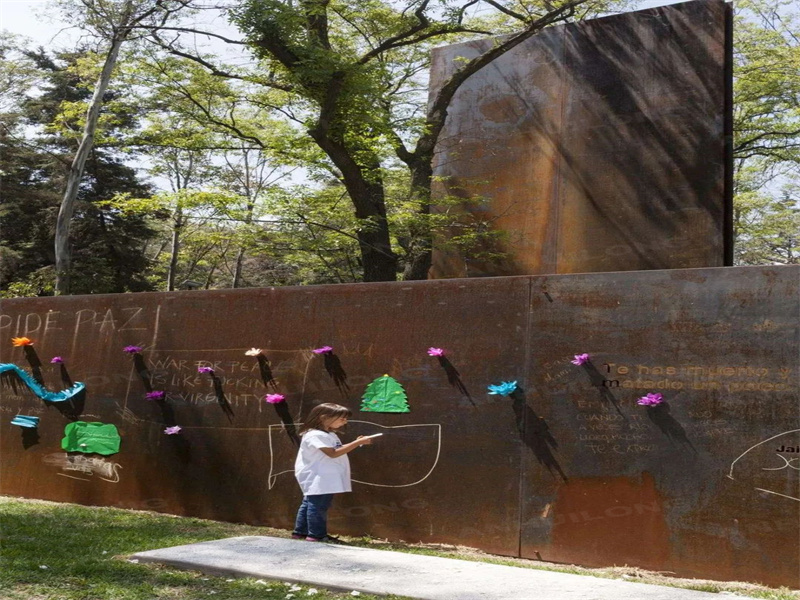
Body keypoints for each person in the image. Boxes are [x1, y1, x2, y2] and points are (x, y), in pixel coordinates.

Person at [292, 403, 373, 542]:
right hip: (318, 476)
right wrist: (355, 443)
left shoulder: (328, 434)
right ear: (324, 418)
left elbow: (337, 448)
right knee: (318, 505)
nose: (344, 422)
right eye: (341, 419)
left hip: (324, 475)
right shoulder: (315, 435)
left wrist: (357, 442)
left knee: (310, 502)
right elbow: (333, 453)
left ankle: (300, 532)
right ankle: (316, 535)